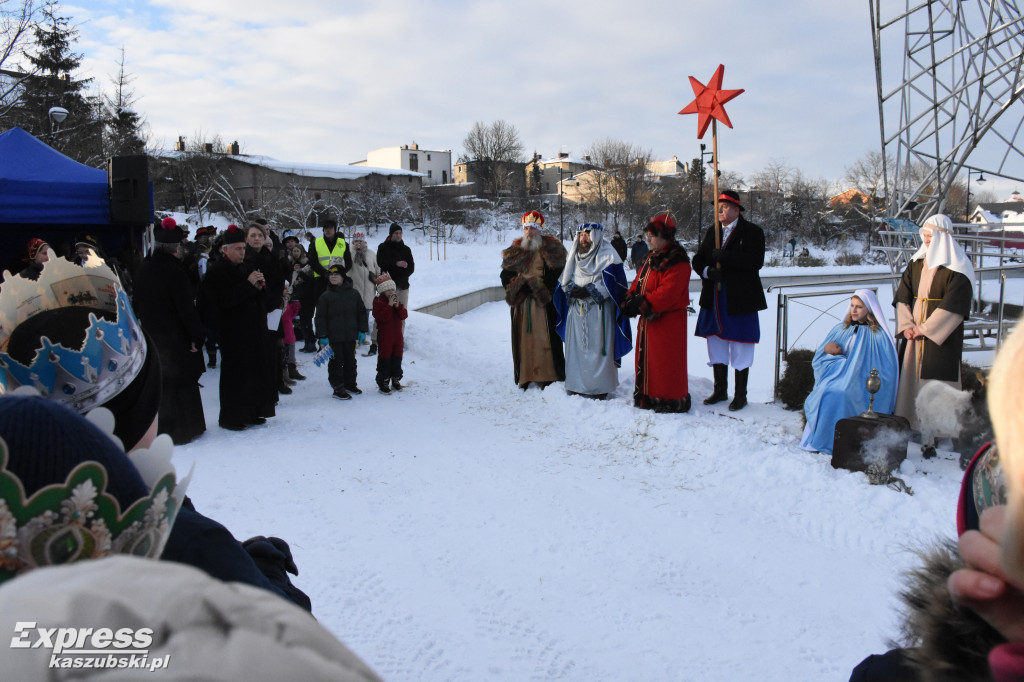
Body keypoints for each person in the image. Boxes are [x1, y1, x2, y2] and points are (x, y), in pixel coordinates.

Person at [893, 213, 974, 431]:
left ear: (942, 236)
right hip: (913, 333)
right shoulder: (916, 263)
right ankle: (908, 422)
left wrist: (924, 329)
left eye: (930, 235)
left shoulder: (959, 268)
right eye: (924, 235)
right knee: (910, 376)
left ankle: (938, 431)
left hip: (940, 336)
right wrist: (907, 326)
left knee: (936, 380)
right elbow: (903, 295)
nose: (926, 240)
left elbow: (954, 306)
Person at [132, 217, 207, 445]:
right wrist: (197, 336)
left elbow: (137, 305)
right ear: (176, 248)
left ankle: (163, 428)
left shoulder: (143, 269)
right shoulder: (176, 272)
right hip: (177, 338)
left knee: (163, 383)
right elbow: (186, 309)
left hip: (153, 337)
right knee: (182, 383)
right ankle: (184, 429)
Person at [692, 189, 767, 411]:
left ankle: (740, 394)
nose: (720, 211)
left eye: (724, 207)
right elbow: (697, 260)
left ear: (736, 209)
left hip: (740, 298)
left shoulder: (752, 232)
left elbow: (756, 261)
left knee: (741, 344)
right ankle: (720, 389)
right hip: (714, 296)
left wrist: (726, 258)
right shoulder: (712, 232)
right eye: (718, 207)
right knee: (716, 342)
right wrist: (707, 271)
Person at [799, 289, 898, 455]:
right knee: (827, 392)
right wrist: (831, 353)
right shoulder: (841, 329)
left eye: (859, 306)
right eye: (852, 305)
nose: (854, 310)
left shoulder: (879, 336)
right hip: (836, 378)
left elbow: (886, 369)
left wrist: (854, 370)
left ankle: (844, 442)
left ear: (869, 309)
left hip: (861, 382)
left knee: (842, 393)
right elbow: (820, 359)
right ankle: (822, 439)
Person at [620, 213, 692, 412]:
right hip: (649, 323)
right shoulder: (650, 258)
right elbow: (638, 283)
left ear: (666, 236)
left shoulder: (678, 261)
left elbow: (667, 293)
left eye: (653, 235)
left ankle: (669, 399)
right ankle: (648, 396)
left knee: (665, 363)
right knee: (649, 362)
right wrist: (629, 299)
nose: (648, 238)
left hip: (668, 324)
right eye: (648, 234)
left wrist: (642, 304)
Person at [553, 222, 632, 399]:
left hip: (600, 312)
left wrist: (590, 290)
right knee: (577, 349)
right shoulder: (574, 255)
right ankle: (575, 383)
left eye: (587, 235)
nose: (583, 238)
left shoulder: (609, 255)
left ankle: (599, 387)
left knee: (598, 350)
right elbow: (566, 278)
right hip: (576, 310)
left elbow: (615, 285)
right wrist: (572, 289)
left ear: (596, 236)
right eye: (581, 235)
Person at [202, 225, 268, 431]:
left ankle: (250, 412)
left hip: (251, 329)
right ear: (226, 250)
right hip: (231, 331)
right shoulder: (216, 272)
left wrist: (259, 288)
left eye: (243, 248)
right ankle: (231, 417)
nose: (242, 252)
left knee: (251, 372)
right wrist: (248, 286)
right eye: (238, 248)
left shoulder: (245, 267)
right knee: (234, 375)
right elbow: (225, 301)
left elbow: (253, 295)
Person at [500, 210, 567, 389]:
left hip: (543, 303)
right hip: (522, 304)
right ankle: (526, 375)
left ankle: (548, 375)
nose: (529, 232)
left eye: (533, 228)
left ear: (540, 230)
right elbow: (505, 276)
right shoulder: (514, 251)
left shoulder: (553, 250)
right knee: (524, 341)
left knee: (544, 339)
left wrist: (538, 286)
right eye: (526, 228)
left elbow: (558, 276)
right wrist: (519, 286)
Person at [314, 264, 367, 400]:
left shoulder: (353, 294)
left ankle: (350, 384)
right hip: (333, 337)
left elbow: (361, 313)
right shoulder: (325, 296)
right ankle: (338, 387)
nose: (333, 277)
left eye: (336, 275)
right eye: (331, 275)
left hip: (350, 335)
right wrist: (322, 336)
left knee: (350, 360)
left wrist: (362, 330)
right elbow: (320, 318)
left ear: (343, 277)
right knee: (336, 362)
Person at [373, 222, 415, 354]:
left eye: (400, 233)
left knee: (400, 314)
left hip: (402, 286)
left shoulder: (406, 249)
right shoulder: (383, 247)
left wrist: (400, 279)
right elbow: (381, 262)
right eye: (396, 233)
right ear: (391, 234)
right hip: (386, 287)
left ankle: (399, 340)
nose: (399, 235)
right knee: (382, 312)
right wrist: (396, 264)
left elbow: (411, 268)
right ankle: (375, 340)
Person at [372, 272, 408, 394]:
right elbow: (381, 318)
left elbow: (404, 315)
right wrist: (389, 306)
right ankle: (383, 380)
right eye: (388, 290)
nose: (391, 292)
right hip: (385, 336)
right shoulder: (378, 301)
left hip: (397, 336)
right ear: (382, 292)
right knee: (385, 359)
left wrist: (398, 306)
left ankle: (396, 378)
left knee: (397, 357)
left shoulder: (396, 301)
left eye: (392, 289)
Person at [349, 230, 380, 349]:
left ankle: (362, 337)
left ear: (364, 240)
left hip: (368, 290)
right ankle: (354, 338)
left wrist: (378, 281)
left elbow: (377, 268)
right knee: (354, 315)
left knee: (365, 315)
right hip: (354, 289)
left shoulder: (371, 253)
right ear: (353, 241)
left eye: (360, 240)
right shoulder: (349, 253)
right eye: (356, 240)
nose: (358, 242)